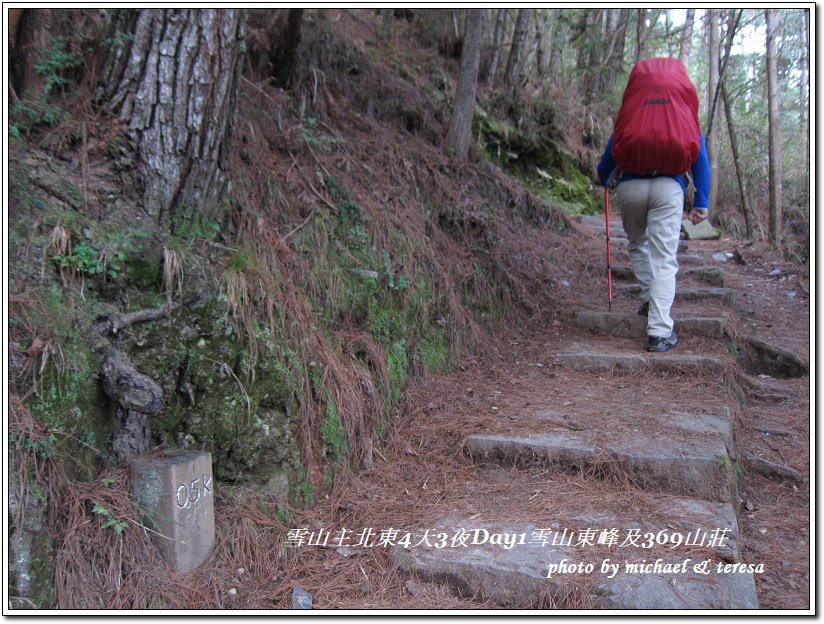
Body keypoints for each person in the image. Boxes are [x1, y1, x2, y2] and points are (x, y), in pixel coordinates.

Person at [596, 118, 710, 353]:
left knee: (638, 243)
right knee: (664, 257)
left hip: (630, 186)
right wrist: (701, 200)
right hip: (669, 187)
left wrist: (603, 175)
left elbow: (612, 149)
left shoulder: (634, 111)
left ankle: (650, 299)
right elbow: (700, 157)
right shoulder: (682, 112)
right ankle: (659, 332)